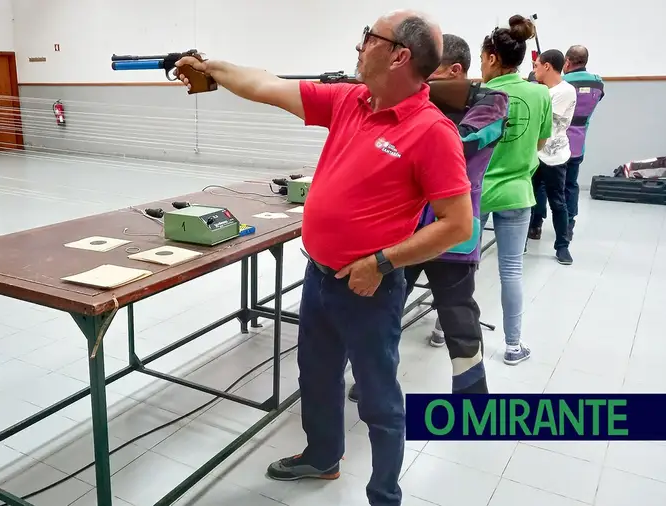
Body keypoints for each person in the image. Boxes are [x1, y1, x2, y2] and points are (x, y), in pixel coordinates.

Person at [174, 10, 474, 506]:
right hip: (320, 275)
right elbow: (266, 86)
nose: (359, 47)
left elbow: (457, 225)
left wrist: (380, 263)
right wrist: (210, 67)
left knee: (379, 398)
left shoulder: (432, 131)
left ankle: (384, 493)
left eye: (368, 38)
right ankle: (323, 456)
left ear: (399, 55)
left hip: (370, 288)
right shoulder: (351, 100)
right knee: (315, 374)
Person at [348, 34, 509, 402]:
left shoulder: (492, 103)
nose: (418, 82)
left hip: (450, 232)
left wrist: (413, 109)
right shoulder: (418, 101)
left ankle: (473, 399)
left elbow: (459, 143)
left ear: (454, 71)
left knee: (459, 319)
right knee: (385, 312)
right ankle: (374, 380)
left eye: (427, 74)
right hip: (405, 229)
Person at [479, 14, 551, 365]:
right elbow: (540, 142)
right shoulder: (541, 93)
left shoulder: (480, 94)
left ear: (492, 59)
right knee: (511, 270)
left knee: (458, 266)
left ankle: (444, 330)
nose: (481, 66)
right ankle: (513, 346)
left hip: (475, 194)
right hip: (518, 193)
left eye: (481, 59)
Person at [528, 49, 577, 264]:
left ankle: (562, 246)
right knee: (528, 200)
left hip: (554, 156)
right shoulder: (542, 90)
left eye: (536, 65)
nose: (534, 70)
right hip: (534, 154)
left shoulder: (565, 91)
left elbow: (542, 117)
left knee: (557, 202)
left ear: (547, 66)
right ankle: (523, 239)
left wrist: (532, 91)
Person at [562, 46, 605, 239]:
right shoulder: (598, 83)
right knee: (571, 184)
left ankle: (536, 225)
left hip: (556, 144)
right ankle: (569, 223)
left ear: (567, 62)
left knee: (544, 185)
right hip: (579, 144)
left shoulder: (561, 83)